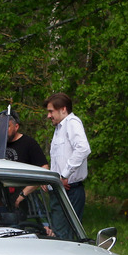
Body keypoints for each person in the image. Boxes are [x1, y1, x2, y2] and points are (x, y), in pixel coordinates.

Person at [45, 92, 91, 223]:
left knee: (65, 236)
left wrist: (64, 175)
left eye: (51, 111)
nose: (49, 116)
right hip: (60, 189)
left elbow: (83, 148)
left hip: (70, 190)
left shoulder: (72, 123)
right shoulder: (59, 128)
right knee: (60, 233)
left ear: (63, 109)